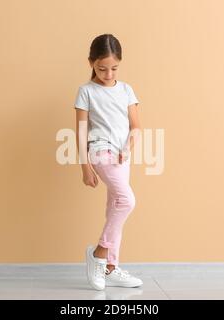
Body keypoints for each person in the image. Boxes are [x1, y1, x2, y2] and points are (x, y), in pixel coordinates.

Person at [74, 34, 143, 290]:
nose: (108, 73)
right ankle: (99, 254)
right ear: (91, 62)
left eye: (114, 68)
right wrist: (84, 167)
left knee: (115, 206)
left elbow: (136, 127)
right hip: (100, 152)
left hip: (121, 155)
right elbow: (80, 132)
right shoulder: (86, 91)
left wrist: (128, 147)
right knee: (127, 201)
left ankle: (111, 267)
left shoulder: (126, 90)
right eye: (102, 68)